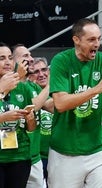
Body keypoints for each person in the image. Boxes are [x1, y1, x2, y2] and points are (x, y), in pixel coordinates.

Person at [48, 18, 102, 188]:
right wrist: (97, 89)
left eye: (99, 38)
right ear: (76, 40)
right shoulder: (61, 61)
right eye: (91, 39)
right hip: (65, 151)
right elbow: (60, 103)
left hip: (98, 148)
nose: (97, 44)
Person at [12, 44, 51, 188]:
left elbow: (50, 105)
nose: (31, 58)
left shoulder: (32, 86)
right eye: (25, 56)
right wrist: (50, 85)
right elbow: (32, 107)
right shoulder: (7, 84)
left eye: (30, 55)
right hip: (12, 158)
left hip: (34, 158)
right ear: (13, 61)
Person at [0, 42, 36, 188]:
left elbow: (31, 128)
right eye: (2, 58)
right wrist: (3, 118)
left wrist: (30, 119)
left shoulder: (23, 88)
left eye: (9, 57)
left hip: (20, 155)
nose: (7, 62)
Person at [32, 57, 53, 187]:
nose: (41, 74)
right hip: (37, 156)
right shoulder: (29, 92)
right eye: (36, 71)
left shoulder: (60, 92)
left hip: (57, 154)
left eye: (44, 70)